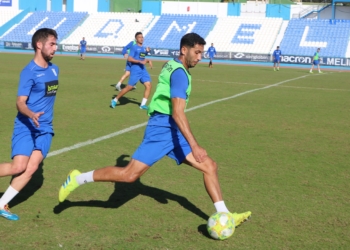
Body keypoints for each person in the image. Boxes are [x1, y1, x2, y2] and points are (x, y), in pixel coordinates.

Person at [59, 33, 251, 227]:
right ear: (184, 50)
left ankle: (225, 215)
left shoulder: (173, 64)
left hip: (172, 128)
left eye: (202, 52)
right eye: (197, 52)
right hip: (162, 128)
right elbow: (177, 113)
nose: (200, 57)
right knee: (129, 175)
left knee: (210, 166)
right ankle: (78, 178)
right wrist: (195, 145)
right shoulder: (179, 74)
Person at [0, 28, 59, 221]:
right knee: (18, 167)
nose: (55, 48)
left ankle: (1, 204)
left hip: (45, 129)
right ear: (39, 45)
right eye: (52, 44)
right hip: (26, 125)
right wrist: (31, 114)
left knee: (32, 168)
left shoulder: (54, 69)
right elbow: (19, 102)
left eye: (56, 44)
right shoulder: (28, 72)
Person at [110, 32, 152, 110]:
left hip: (143, 69)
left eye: (142, 37)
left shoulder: (143, 48)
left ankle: (142, 105)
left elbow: (141, 57)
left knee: (148, 85)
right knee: (129, 87)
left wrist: (147, 56)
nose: (141, 38)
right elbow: (129, 58)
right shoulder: (134, 47)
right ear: (136, 39)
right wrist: (140, 62)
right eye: (139, 37)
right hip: (136, 69)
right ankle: (115, 99)